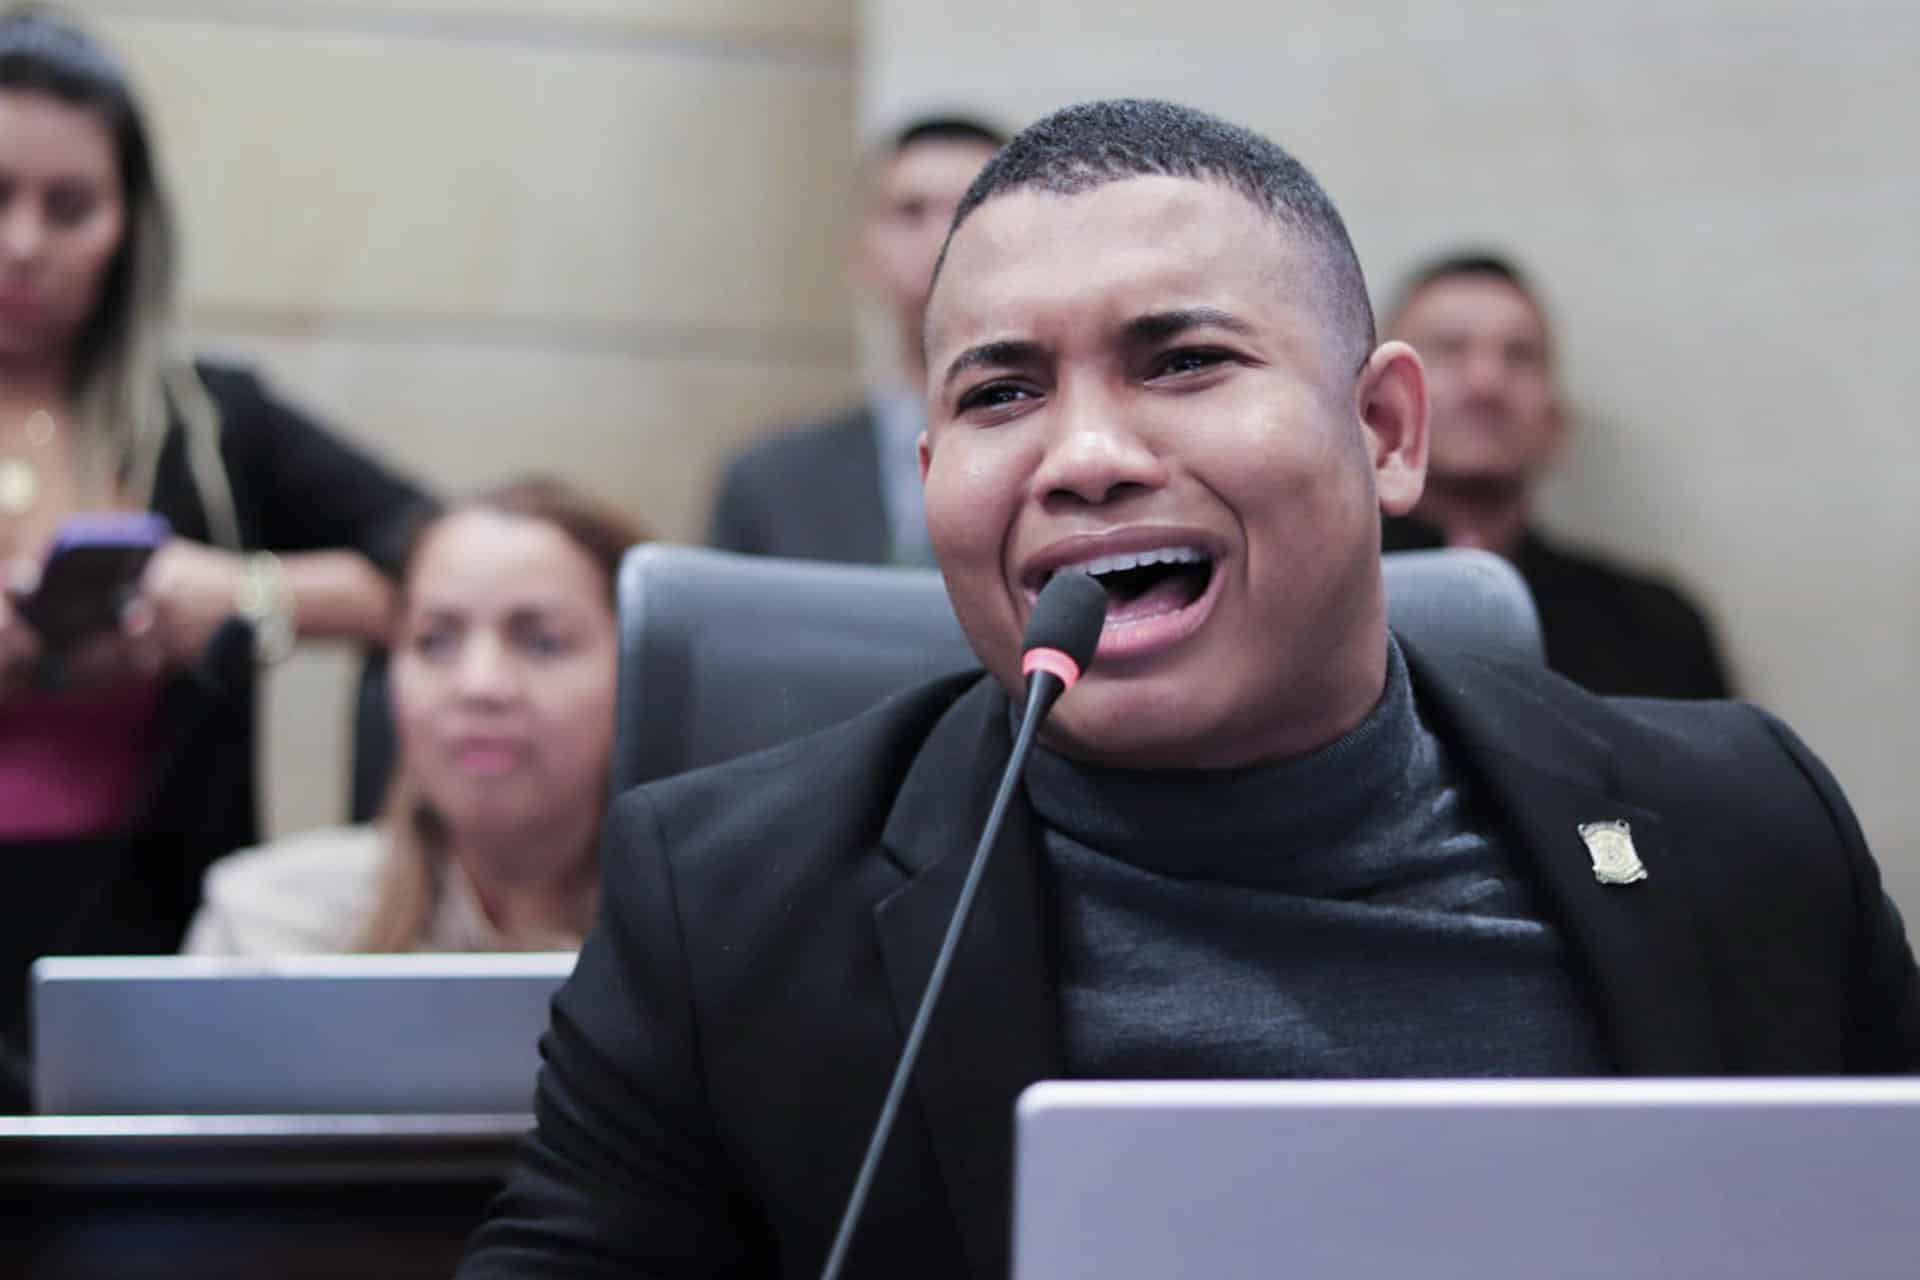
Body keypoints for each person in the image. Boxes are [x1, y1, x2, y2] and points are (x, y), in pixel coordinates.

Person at [459, 100, 1919, 1279]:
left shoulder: (1743, 829)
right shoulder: (722, 913)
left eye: (1183, 360)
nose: (1084, 454)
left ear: (1387, 431)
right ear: (934, 486)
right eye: (1001, 393)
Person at [0, 6, 430, 1089]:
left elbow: (437, 555)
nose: (24, 244)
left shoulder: (209, 421)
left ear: (130, 224)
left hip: (155, 918)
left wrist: (241, 589)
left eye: (71, 207)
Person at [184, 478, 643, 955]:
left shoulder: (711, 933)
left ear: (641, 666)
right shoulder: (269, 927)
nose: (479, 686)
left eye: (542, 642)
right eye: (435, 641)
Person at [1381, 251, 1733, 698]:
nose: (1486, 381)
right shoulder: (1317, 608)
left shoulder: (1658, 627)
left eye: (1520, 356)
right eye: (1450, 349)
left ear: (1556, 420)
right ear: (1379, 406)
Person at [707, 114, 1003, 566]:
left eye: (969, 207)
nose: (941, 237)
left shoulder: (1079, 460)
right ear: (863, 251)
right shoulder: (772, 482)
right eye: (910, 211)